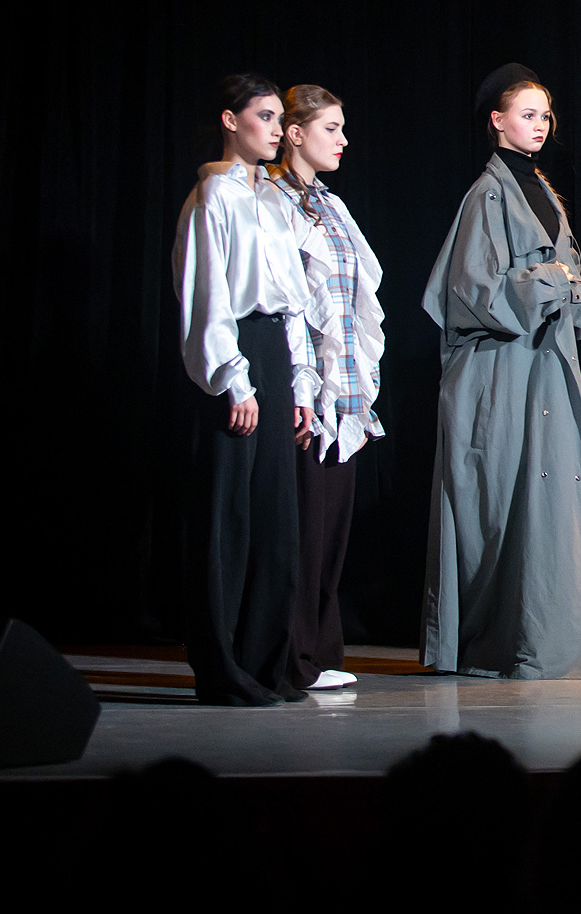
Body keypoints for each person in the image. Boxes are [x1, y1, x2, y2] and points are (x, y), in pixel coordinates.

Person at [422, 64, 581, 679]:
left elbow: (570, 277)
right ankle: (496, 641)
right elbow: (473, 290)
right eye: (527, 115)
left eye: (545, 116)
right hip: (501, 368)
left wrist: (580, 289)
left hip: (546, 363)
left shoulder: (545, 192)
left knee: (550, 494)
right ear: (497, 121)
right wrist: (552, 281)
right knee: (501, 498)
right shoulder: (488, 194)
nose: (540, 125)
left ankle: (546, 640)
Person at [172, 74, 315, 705]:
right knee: (227, 517)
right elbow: (207, 295)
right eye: (264, 116)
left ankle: (264, 663)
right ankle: (222, 668)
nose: (277, 129)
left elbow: (293, 299)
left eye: (279, 117)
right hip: (236, 352)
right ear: (232, 122)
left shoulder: (275, 198)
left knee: (276, 517)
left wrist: (301, 382)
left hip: (276, 355)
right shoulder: (214, 195)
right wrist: (234, 380)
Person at [266, 84, 384, 692]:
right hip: (304, 388)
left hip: (343, 390)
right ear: (295, 133)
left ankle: (319, 648)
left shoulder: (331, 205)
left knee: (331, 525)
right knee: (303, 527)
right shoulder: (273, 200)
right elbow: (289, 304)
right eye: (330, 129)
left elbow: (357, 299)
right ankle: (291, 656)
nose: (343, 140)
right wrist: (299, 387)